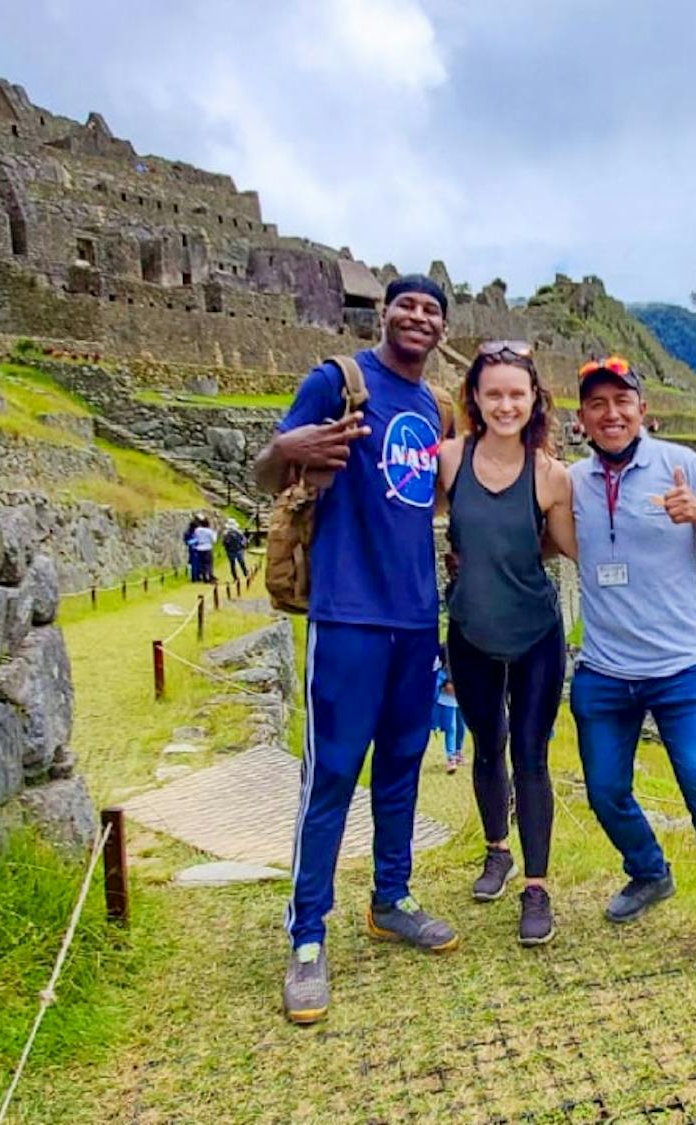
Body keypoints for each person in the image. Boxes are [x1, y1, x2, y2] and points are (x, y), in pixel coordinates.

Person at [252, 274, 456, 1025]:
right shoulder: (336, 381)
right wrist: (286, 446)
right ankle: (307, 935)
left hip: (413, 617)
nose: (418, 317)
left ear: (441, 331)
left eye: (432, 311)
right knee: (332, 773)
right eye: (407, 304)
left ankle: (392, 897)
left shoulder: (433, 408)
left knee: (403, 765)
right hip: (346, 612)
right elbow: (267, 471)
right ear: (384, 313)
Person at [567, 355, 696, 989]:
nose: (611, 414)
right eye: (598, 404)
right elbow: (544, 536)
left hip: (678, 670)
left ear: (642, 409)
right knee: (605, 791)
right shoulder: (572, 482)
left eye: (622, 401)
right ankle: (649, 870)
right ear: (583, 418)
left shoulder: (684, 466)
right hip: (604, 669)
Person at [438, 340, 577, 946]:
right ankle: (498, 850)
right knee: (487, 745)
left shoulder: (551, 475)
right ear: (475, 397)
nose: (505, 404)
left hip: (534, 635)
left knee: (530, 753)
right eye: (493, 393)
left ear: (533, 401)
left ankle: (537, 887)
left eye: (516, 394)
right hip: (469, 630)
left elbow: (570, 547)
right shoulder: (448, 460)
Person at [433, 651, 465, 773]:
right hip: (448, 695)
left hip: (462, 694)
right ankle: (451, 757)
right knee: (451, 727)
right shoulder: (443, 649)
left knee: (461, 725)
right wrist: (445, 683)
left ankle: (458, 752)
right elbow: (436, 668)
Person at [221, 518, 251, 584]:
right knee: (241, 563)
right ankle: (245, 573)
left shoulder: (226, 533)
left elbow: (223, 543)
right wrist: (243, 545)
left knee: (233, 564)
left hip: (231, 551)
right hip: (238, 550)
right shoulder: (238, 532)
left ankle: (236, 577)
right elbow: (244, 540)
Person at [187, 518, 216, 583]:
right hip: (207, 547)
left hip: (199, 548)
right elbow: (214, 540)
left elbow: (195, 538)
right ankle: (209, 576)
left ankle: (204, 577)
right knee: (208, 563)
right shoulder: (209, 531)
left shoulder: (197, 530)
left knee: (202, 563)